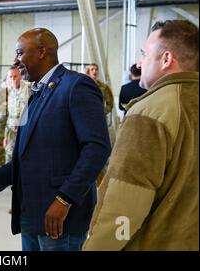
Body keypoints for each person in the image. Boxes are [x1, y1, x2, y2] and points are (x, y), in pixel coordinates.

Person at [0, 28, 111, 251]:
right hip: (31, 214)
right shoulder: (37, 93)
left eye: (20, 53)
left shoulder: (76, 87)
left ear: (42, 52)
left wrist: (65, 199)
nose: (16, 61)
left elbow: (97, 148)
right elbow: (28, 157)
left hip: (59, 219)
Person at [83, 20, 199, 251]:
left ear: (166, 59)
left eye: (144, 54)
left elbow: (124, 206)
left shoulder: (150, 113)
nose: (139, 63)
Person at [4, 66, 31, 163]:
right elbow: (9, 115)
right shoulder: (10, 90)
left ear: (20, 76)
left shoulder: (29, 88)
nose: (13, 79)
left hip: (25, 130)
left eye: (15, 76)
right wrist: (5, 136)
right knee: (9, 157)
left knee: (24, 158)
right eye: (10, 77)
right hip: (11, 130)